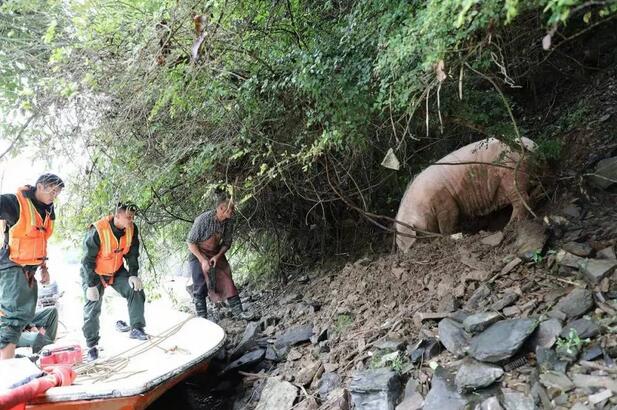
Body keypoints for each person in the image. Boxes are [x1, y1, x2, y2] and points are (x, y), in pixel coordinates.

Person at [0, 173, 64, 359]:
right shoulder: (15, 203)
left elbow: (40, 241)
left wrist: (44, 268)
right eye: (52, 190)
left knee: (25, 315)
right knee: (13, 317)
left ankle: (11, 362)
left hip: (30, 270)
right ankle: (6, 370)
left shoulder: (47, 211)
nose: (54, 195)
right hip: (12, 268)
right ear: (40, 186)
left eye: (57, 192)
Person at [81, 202, 146, 361]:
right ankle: (92, 346)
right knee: (92, 306)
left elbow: (132, 253)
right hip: (95, 273)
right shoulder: (98, 230)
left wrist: (133, 274)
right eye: (128, 217)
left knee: (135, 289)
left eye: (133, 217)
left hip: (116, 271)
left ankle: (136, 328)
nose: (131, 220)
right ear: (117, 215)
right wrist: (90, 285)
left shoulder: (131, 229)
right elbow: (87, 260)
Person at [187, 195, 245, 320]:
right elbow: (190, 243)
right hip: (197, 253)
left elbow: (227, 243)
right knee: (200, 284)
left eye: (232, 210)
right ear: (221, 208)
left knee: (227, 280)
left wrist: (217, 257)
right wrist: (202, 260)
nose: (232, 212)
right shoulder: (203, 219)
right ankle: (202, 318)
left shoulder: (229, 221)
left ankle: (240, 313)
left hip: (215, 252)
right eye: (229, 210)